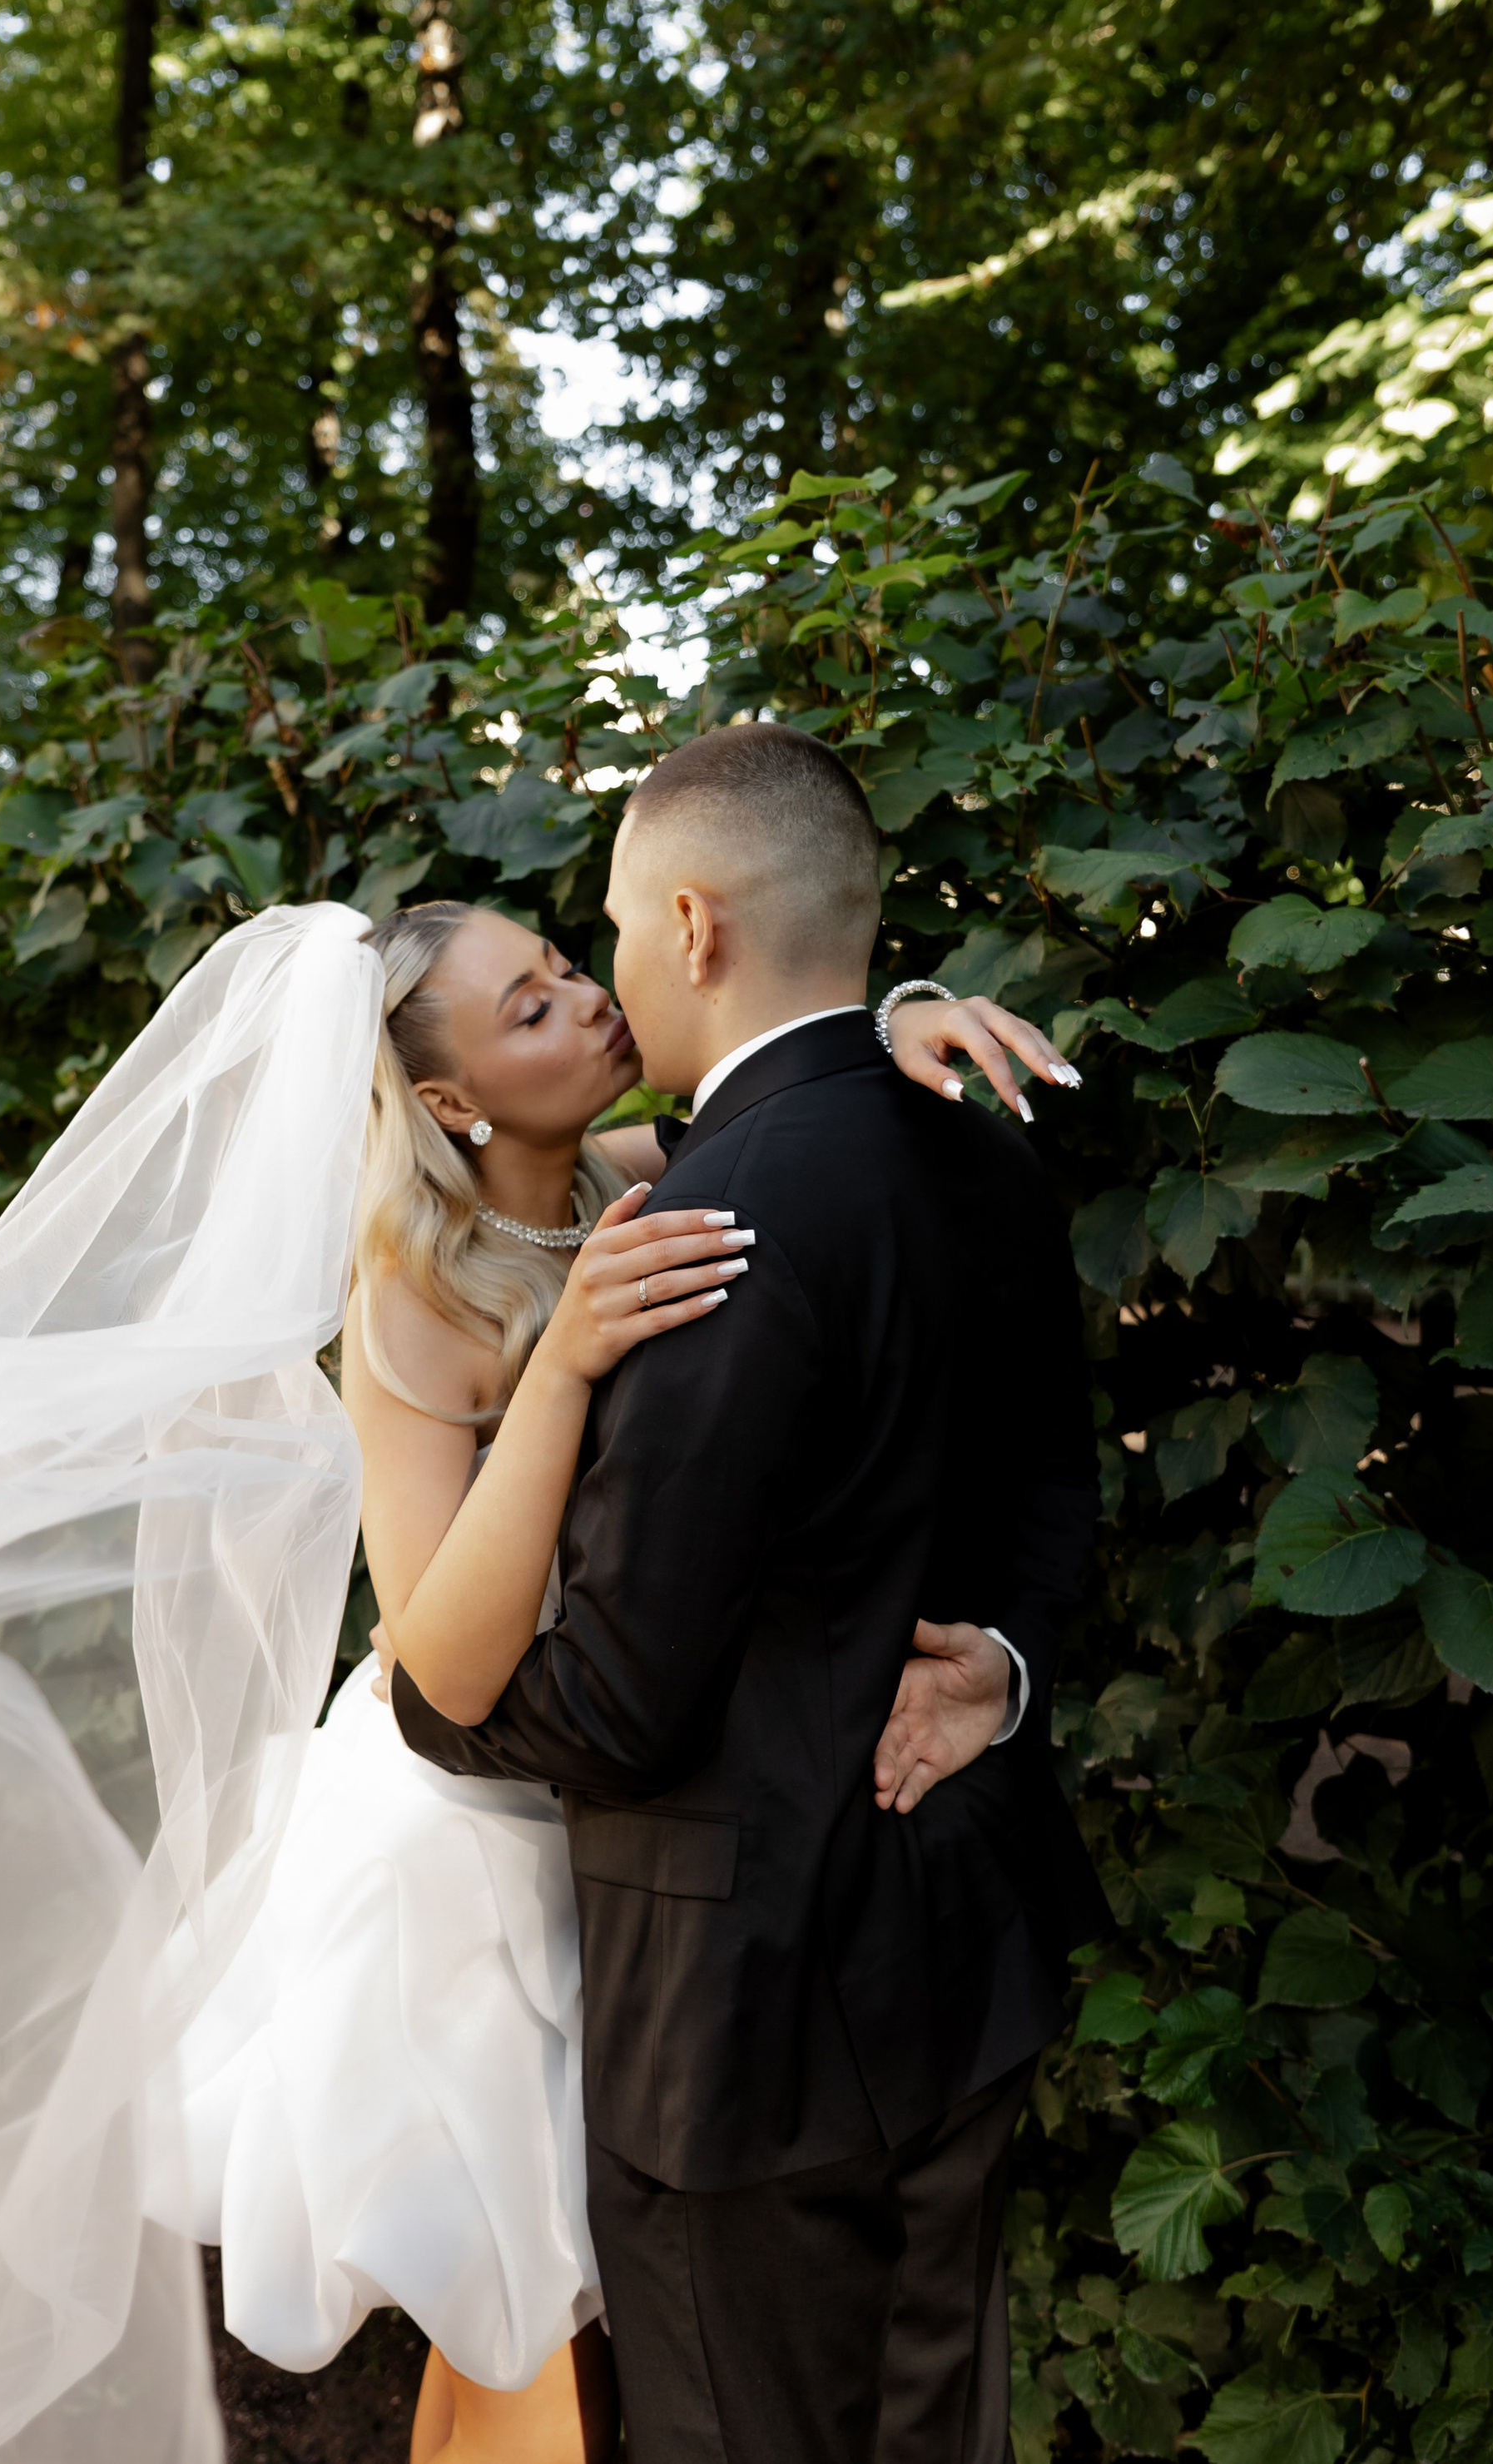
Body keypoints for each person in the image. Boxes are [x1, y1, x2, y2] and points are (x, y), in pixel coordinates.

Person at [164, 873, 1081, 2464]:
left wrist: (889, 1021)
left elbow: (796, 1118)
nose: (587, 1001)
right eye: (528, 1008)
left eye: (568, 967)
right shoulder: (416, 1288)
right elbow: (439, 1657)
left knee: (649, 2315)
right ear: (446, 1097)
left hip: (661, 1816)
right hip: (474, 1832)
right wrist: (565, 1363)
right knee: (547, 2317)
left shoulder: (622, 1168)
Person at [389, 726, 1112, 2464]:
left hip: (740, 2011)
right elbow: (1047, 1490)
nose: (605, 983)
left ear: (695, 926)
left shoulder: (699, 1229)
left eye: (605, 941)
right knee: (934, 2425)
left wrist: (417, 1701)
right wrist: (1002, 1671)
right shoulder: (973, 1134)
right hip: (956, 1951)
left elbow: (622, 1708)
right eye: (542, 990)